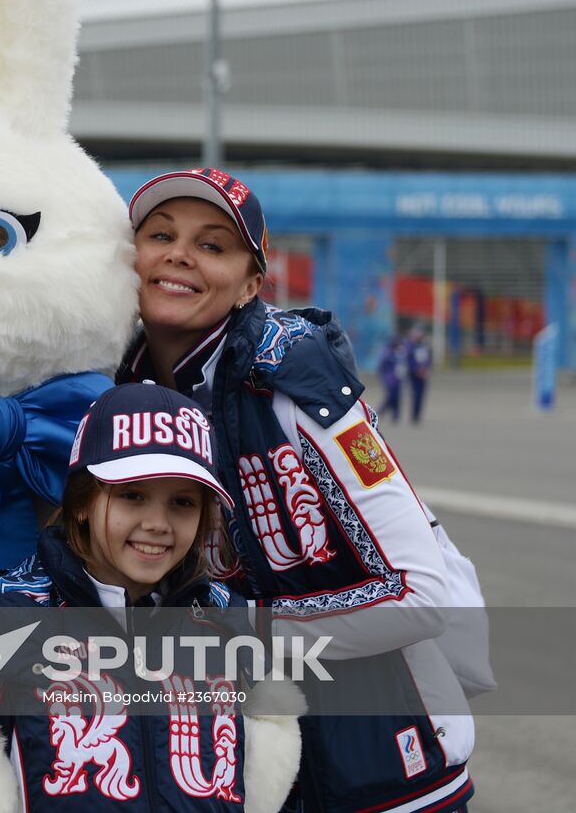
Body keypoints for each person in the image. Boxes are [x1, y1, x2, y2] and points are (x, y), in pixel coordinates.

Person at [118, 168, 473, 813]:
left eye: (213, 245)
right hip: (240, 770)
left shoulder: (296, 377)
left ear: (252, 283)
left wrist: (243, 633)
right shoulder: (115, 392)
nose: (179, 255)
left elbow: (420, 595)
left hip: (384, 763)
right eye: (160, 234)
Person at [0, 383, 301, 813]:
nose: (158, 523)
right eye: (133, 495)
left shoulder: (229, 618)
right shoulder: (5, 616)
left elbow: (263, 755)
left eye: (183, 503)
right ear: (82, 501)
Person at [376, 333, 405, 425]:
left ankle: (395, 415)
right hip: (389, 378)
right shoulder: (387, 352)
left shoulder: (400, 352)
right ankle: (381, 410)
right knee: (391, 396)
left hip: (398, 378)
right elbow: (382, 365)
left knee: (397, 397)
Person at [407, 324, 433, 424]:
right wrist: (417, 370)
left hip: (423, 375)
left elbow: (428, 359)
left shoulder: (424, 346)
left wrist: (426, 369)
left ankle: (418, 414)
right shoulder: (410, 346)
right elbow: (409, 361)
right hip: (414, 375)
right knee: (416, 394)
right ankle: (414, 415)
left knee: (421, 395)